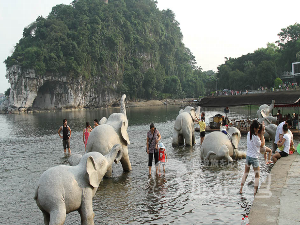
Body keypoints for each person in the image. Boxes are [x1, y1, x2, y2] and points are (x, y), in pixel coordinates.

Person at [240, 120, 264, 196]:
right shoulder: (256, 138)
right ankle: (255, 192)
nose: (258, 130)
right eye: (257, 128)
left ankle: (241, 189)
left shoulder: (248, 134)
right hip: (254, 158)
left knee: (245, 173)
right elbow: (262, 145)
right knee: (257, 175)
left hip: (248, 157)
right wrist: (262, 135)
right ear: (254, 128)